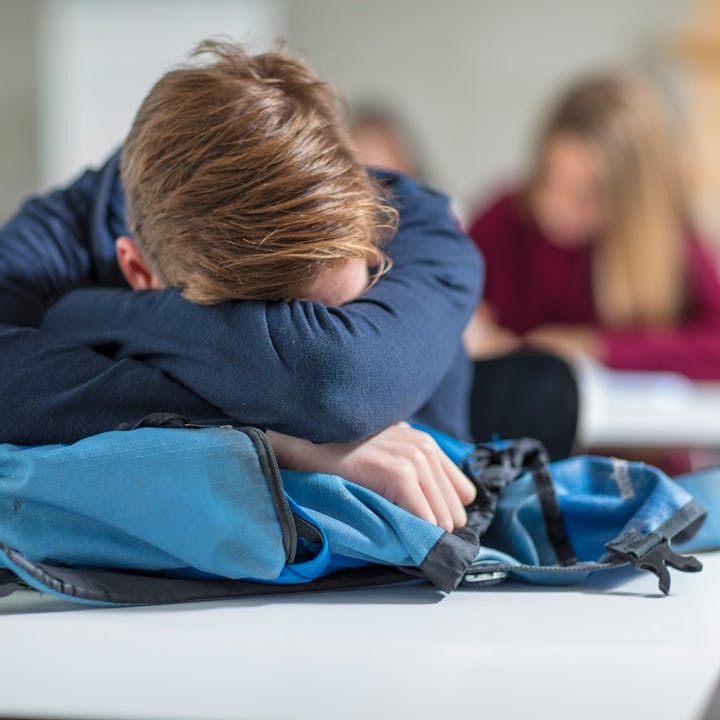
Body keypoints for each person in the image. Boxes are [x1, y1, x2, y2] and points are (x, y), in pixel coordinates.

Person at [0, 41, 480, 531]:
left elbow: (337, 384)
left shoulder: (413, 221)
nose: (315, 337)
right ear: (140, 272)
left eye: (350, 314)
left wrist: (79, 316)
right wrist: (273, 442)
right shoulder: (48, 248)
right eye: (250, 334)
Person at [465, 72, 720, 380]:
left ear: (634, 202)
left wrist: (596, 347)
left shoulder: (669, 241)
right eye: (548, 179)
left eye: (586, 194)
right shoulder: (503, 218)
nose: (555, 207)